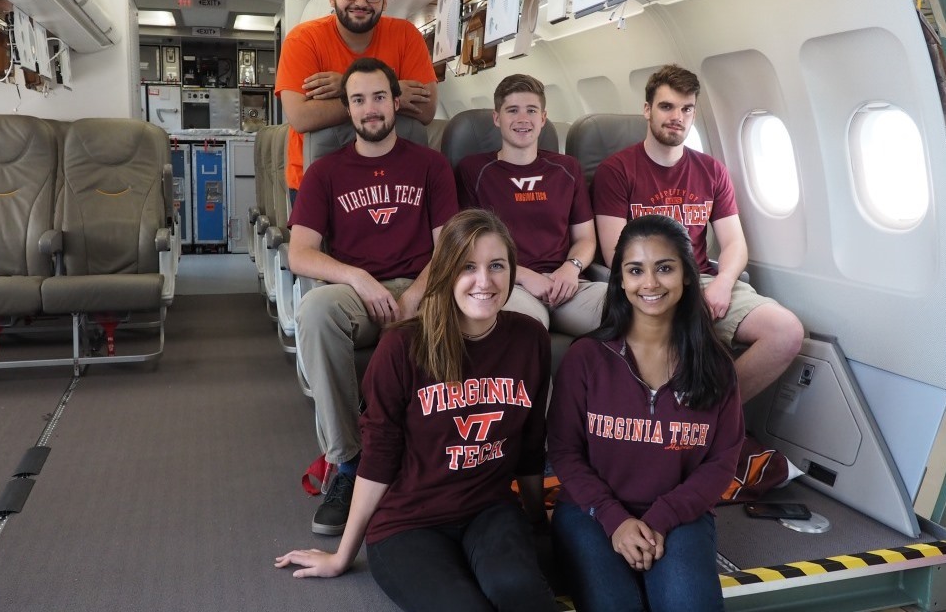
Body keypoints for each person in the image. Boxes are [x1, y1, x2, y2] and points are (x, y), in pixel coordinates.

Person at [276, 209, 558, 612]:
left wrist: (537, 523)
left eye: (497, 266)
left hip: (489, 509)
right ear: (444, 273)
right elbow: (378, 460)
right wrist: (342, 555)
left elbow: (531, 444)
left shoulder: (530, 338)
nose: (485, 281)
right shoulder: (402, 348)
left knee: (520, 593)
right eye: (467, 267)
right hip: (408, 523)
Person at [287, 57, 457, 536]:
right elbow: (301, 254)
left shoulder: (431, 165)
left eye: (379, 97)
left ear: (396, 102)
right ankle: (348, 466)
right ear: (348, 110)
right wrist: (359, 279)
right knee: (315, 310)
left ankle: (439, 464)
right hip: (356, 291)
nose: (370, 108)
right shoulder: (324, 172)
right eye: (358, 100)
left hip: (422, 285)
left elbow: (449, 248)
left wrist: (413, 299)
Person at [548, 214, 744, 612]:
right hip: (590, 513)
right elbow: (565, 452)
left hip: (679, 515)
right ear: (620, 279)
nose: (650, 283)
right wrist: (614, 519)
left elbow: (721, 462)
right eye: (636, 270)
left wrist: (661, 519)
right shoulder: (586, 357)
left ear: (688, 276)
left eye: (665, 268)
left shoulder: (716, 366)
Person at [593, 64, 804, 401]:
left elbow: (734, 243)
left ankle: (711, 413)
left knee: (786, 332)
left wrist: (722, 284)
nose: (677, 116)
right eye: (666, 106)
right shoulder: (616, 171)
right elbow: (614, 252)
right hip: (648, 282)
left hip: (701, 280)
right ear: (647, 110)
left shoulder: (711, 171)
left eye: (686, 108)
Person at [275, 0, 438, 201]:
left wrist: (343, 86)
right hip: (316, 179)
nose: (360, 2)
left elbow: (425, 110)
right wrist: (388, 94)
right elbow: (301, 117)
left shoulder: (406, 36)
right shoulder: (303, 40)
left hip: (395, 178)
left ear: (384, 0)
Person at [456, 74, 608, 336]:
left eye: (531, 110)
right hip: (508, 283)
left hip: (567, 284)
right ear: (497, 118)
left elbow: (586, 239)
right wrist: (526, 276)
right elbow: (468, 243)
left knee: (631, 308)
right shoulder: (475, 170)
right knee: (526, 331)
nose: (523, 119)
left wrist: (571, 269)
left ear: (543, 117)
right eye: (512, 110)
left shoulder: (567, 169)